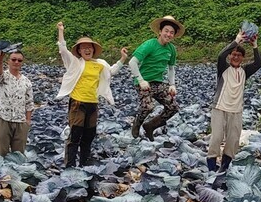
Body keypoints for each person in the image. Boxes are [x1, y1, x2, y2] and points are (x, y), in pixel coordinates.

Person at [55, 21, 128, 167]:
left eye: (89, 48)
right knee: (75, 134)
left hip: (93, 103)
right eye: (84, 48)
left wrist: (122, 59)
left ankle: (84, 165)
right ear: (79, 51)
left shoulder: (100, 63)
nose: (87, 50)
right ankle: (69, 166)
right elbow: (63, 50)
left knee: (89, 135)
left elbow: (112, 71)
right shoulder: (75, 62)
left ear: (93, 50)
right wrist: (61, 30)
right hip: (77, 102)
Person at [207, 29, 261, 173]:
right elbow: (221, 55)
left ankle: (224, 167)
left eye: (239, 55)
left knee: (233, 141)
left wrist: (255, 45)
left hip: (236, 110)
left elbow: (258, 63)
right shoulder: (223, 68)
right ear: (230, 56)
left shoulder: (245, 71)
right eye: (233, 54)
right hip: (219, 107)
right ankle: (211, 168)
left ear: (243, 58)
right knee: (216, 137)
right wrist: (237, 40)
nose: (236, 57)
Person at [129, 15, 184, 141]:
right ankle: (138, 122)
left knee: (173, 107)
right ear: (160, 31)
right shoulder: (150, 44)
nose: (168, 34)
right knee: (148, 106)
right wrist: (141, 80)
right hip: (143, 81)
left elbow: (171, 68)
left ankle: (150, 126)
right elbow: (132, 62)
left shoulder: (171, 49)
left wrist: (172, 85)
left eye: (171, 32)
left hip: (158, 83)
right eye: (166, 31)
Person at [0, 50, 34, 156]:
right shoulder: (3, 76)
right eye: (13, 59)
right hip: (3, 118)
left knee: (18, 155)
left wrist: (28, 121)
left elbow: (29, 102)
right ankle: (1, 173)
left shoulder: (26, 81)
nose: (16, 62)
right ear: (8, 61)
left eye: (19, 60)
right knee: (1, 153)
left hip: (20, 121)